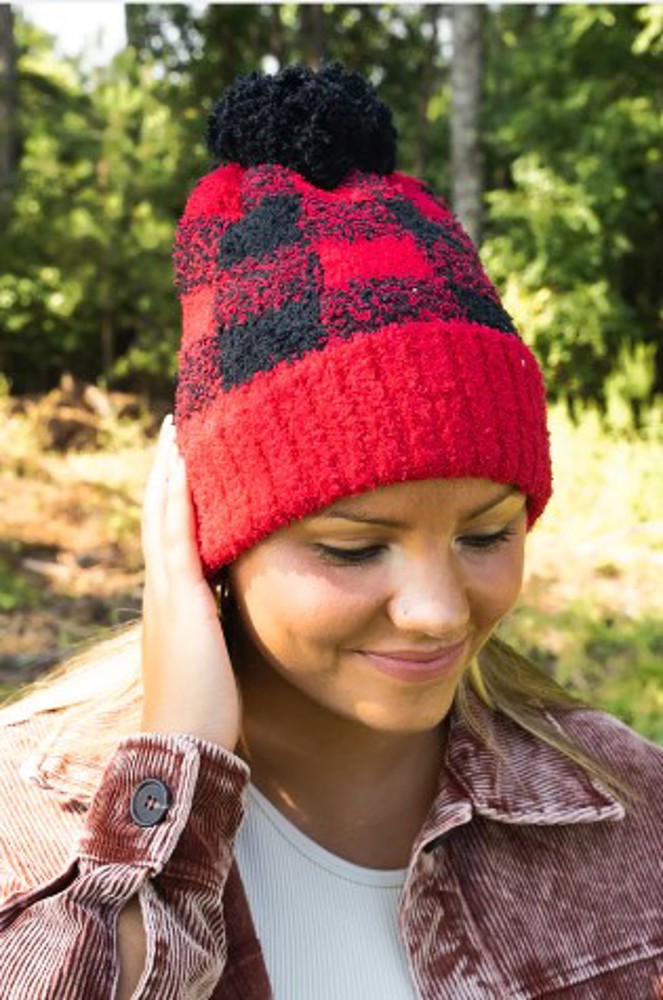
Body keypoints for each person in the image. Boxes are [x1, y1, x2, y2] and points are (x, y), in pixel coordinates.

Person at [0, 63, 661, 1000]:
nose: (437, 613)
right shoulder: (26, 819)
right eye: (353, 547)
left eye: (484, 534)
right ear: (206, 538)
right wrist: (174, 789)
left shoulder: (629, 811)